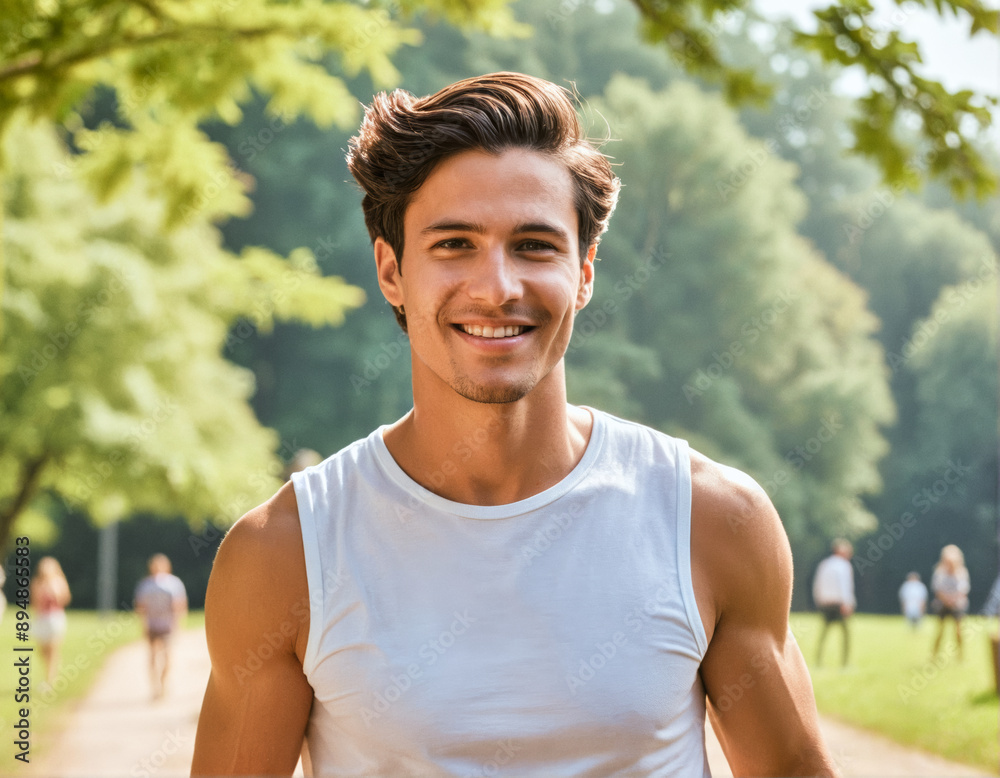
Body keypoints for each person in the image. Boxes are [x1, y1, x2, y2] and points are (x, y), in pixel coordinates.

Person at [193, 72, 835, 776]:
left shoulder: (713, 521)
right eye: (454, 245)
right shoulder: (284, 554)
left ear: (585, 272)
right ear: (391, 271)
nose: (497, 288)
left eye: (534, 245)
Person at [134, 553, 188, 699]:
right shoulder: (146, 584)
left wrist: (177, 624)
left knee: (167, 656)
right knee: (152, 655)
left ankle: (163, 684)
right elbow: (141, 607)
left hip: (167, 625)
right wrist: (143, 624)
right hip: (152, 625)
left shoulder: (173, 583)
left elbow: (179, 605)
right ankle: (155, 686)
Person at [812, 539, 855, 667]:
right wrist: (847, 603)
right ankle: (845, 663)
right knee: (845, 635)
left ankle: (818, 661)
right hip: (839, 604)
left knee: (824, 634)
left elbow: (817, 584)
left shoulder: (824, 564)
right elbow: (844, 586)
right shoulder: (844, 565)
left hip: (825, 603)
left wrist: (818, 600)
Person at [31, 556, 71, 686]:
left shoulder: (58, 582)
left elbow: (65, 600)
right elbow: (34, 602)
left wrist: (55, 592)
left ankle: (50, 679)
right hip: (42, 618)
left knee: (53, 649)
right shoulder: (37, 582)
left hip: (55, 618)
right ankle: (50, 673)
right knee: (42, 651)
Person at [931, 544, 970, 661]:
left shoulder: (961, 572)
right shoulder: (939, 572)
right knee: (940, 631)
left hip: (957, 605)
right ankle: (934, 655)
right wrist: (947, 600)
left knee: (959, 631)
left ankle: (960, 655)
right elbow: (938, 590)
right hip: (943, 604)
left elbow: (963, 590)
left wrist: (953, 600)